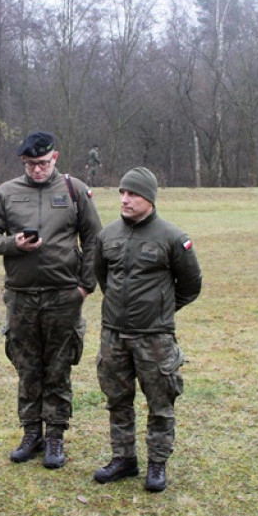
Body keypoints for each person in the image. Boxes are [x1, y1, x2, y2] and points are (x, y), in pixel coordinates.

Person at [0, 131, 102, 469]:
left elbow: (94, 237)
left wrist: (85, 286)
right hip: (21, 298)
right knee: (28, 367)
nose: (38, 170)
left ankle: (55, 437)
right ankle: (31, 432)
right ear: (23, 162)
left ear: (55, 158)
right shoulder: (6, 194)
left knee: (59, 367)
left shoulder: (73, 190)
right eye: (32, 164)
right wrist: (13, 244)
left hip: (64, 295)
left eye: (44, 163)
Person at [91, 168, 201, 493]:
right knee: (117, 399)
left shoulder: (172, 238)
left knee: (160, 402)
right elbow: (102, 278)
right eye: (122, 193)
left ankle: (157, 464)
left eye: (133, 194)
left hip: (155, 337)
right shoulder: (107, 235)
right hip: (113, 335)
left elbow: (191, 285)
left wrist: (162, 310)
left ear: (149, 198)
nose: (125, 199)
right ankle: (123, 458)